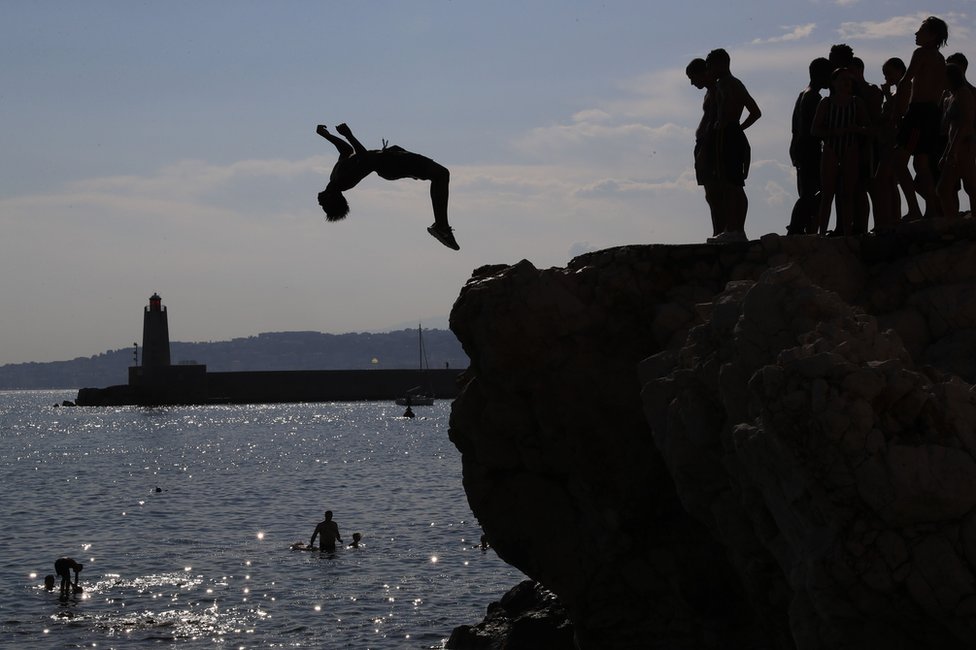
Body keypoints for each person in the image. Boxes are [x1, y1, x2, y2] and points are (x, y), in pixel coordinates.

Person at [316, 123, 459, 250]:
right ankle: (442, 226)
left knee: (440, 174)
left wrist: (327, 135)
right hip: (390, 165)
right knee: (441, 174)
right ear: (332, 198)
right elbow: (365, 159)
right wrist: (349, 135)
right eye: (324, 206)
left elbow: (346, 151)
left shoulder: (334, 178)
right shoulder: (343, 182)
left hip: (390, 161)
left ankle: (442, 226)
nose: (319, 203)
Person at [705, 48, 761, 243]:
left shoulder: (732, 84)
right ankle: (732, 228)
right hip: (726, 134)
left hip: (729, 134)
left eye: (711, 65)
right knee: (726, 182)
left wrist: (737, 128)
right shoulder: (723, 84)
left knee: (733, 183)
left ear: (721, 64)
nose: (709, 69)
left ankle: (737, 229)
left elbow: (755, 111)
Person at [896, 16, 949, 220]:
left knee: (899, 161)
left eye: (921, 30)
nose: (916, 33)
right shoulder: (940, 58)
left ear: (932, 35)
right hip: (932, 114)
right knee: (921, 163)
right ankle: (930, 209)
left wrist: (897, 113)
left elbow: (906, 80)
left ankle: (916, 209)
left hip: (919, 113)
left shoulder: (922, 53)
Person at [812, 68, 868, 235]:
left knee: (848, 193)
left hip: (850, 147)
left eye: (849, 80)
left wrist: (856, 129)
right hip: (830, 148)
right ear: (834, 83)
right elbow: (815, 129)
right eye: (843, 79)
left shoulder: (856, 102)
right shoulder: (826, 103)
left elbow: (869, 128)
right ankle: (821, 232)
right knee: (827, 193)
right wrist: (832, 132)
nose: (846, 83)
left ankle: (847, 231)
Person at [788, 57, 833, 234]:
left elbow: (794, 126)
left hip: (801, 148)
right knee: (815, 192)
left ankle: (803, 226)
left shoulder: (803, 94)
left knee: (811, 192)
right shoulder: (814, 97)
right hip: (810, 149)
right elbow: (818, 126)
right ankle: (796, 228)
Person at [686, 58, 722, 237]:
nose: (692, 83)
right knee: (710, 193)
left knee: (715, 191)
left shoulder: (716, 90)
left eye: (693, 78)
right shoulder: (709, 92)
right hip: (704, 142)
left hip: (710, 142)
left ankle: (721, 230)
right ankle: (718, 230)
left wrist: (706, 146)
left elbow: (715, 118)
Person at [875, 57, 909, 230]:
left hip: (895, 140)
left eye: (889, 73)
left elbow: (899, 112)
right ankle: (891, 218)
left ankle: (888, 219)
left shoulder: (905, 91)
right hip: (887, 140)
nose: (886, 77)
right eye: (884, 74)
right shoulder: (896, 93)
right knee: (888, 181)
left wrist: (887, 96)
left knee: (884, 179)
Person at [937, 63, 976, 217]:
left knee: (968, 186)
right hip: (954, 146)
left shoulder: (963, 94)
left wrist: (952, 151)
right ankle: (955, 223)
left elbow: (966, 124)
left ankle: (960, 223)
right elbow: (948, 130)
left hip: (964, 145)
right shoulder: (949, 97)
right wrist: (947, 152)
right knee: (945, 189)